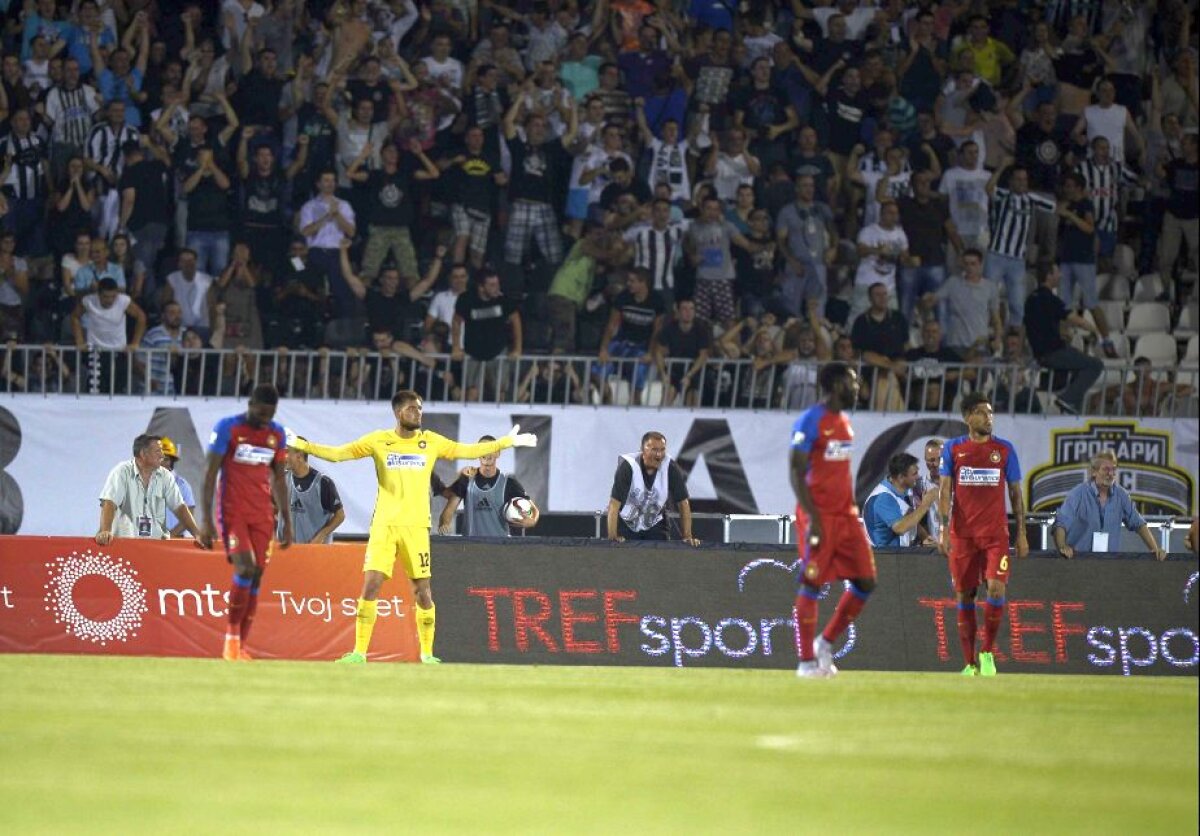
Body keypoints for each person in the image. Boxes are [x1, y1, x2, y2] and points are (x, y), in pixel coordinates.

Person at [289, 391, 538, 664]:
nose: (418, 413)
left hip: (417, 528)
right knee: (371, 585)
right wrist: (304, 445)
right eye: (412, 409)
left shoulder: (430, 441)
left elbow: (467, 449)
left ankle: (427, 654)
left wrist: (507, 442)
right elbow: (338, 454)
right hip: (384, 525)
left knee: (423, 591)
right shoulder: (378, 440)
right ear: (398, 413)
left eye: (419, 408)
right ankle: (359, 652)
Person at [790, 362, 876, 678]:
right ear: (837, 384)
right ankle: (805, 663)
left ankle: (824, 643)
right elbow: (796, 472)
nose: (857, 386)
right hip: (819, 514)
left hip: (846, 515)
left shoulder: (845, 422)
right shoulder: (810, 420)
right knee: (812, 582)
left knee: (866, 581)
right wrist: (814, 519)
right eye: (852, 380)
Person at [201, 384, 293, 663]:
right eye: (261, 413)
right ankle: (230, 641)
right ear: (250, 403)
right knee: (246, 567)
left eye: (270, 414)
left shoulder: (276, 434)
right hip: (233, 511)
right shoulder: (228, 428)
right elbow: (210, 474)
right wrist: (206, 521)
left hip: (262, 514)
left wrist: (287, 522)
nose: (265, 419)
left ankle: (240, 646)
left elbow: (278, 478)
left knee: (257, 576)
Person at [938, 392, 1028, 677]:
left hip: (995, 535)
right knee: (965, 594)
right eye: (981, 412)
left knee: (996, 588)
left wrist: (1021, 533)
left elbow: (1015, 493)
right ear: (967, 418)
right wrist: (943, 529)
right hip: (962, 535)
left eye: (991, 412)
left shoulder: (1004, 450)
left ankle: (987, 652)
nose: (989, 418)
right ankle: (969, 663)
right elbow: (944, 491)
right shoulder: (953, 449)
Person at [1052, 451, 1167, 561]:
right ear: (1094, 472)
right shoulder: (1078, 494)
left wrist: (1155, 549)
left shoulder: (1121, 495)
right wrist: (1063, 547)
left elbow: (1139, 524)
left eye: (1113, 469)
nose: (1111, 474)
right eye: (1106, 469)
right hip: (1079, 563)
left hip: (1109, 566)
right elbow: (1061, 523)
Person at [97, 434, 209, 546]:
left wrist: (197, 534)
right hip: (125, 543)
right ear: (143, 454)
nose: (162, 455)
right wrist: (105, 531)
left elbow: (179, 507)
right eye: (158, 451)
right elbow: (110, 503)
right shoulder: (122, 472)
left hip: (156, 546)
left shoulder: (166, 476)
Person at [1023, 263, 1104, 415]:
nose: (1060, 275)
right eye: (1056, 272)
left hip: (1039, 353)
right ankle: (1068, 398)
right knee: (1095, 365)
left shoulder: (1030, 299)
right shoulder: (1049, 299)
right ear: (1048, 276)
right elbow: (1074, 319)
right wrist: (1094, 330)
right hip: (1054, 352)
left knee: (1078, 366)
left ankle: (1072, 408)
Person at [606, 431, 699, 545]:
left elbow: (683, 503)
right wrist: (612, 537)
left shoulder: (670, 467)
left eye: (662, 450)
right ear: (642, 450)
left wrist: (687, 537)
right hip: (627, 523)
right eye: (654, 450)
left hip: (655, 522)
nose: (659, 455)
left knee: (658, 559)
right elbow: (614, 504)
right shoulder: (628, 467)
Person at [438, 436, 540, 536]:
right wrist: (444, 524)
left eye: (491, 448)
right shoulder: (466, 479)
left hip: (499, 548)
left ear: (498, 453)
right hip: (471, 548)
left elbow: (533, 509)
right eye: (483, 448)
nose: (487, 452)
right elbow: (449, 510)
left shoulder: (509, 483)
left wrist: (533, 521)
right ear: (477, 452)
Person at [863, 453, 938, 548]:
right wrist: (925, 504)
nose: (918, 477)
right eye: (914, 474)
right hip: (886, 557)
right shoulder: (883, 498)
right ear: (901, 477)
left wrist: (924, 536)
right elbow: (901, 527)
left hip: (903, 552)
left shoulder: (905, 487)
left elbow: (909, 517)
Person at [282, 441, 345, 545]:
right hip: (288, 551)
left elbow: (340, 515)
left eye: (286, 452)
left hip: (315, 552)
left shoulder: (323, 483)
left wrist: (321, 535)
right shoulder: (282, 479)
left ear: (299, 455)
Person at [159, 437, 196, 539]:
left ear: (172, 462)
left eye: (166, 459)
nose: (162, 463)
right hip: (150, 541)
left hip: (176, 541)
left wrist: (170, 536)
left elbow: (190, 515)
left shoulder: (182, 486)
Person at [913, 439, 943, 542]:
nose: (937, 463)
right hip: (933, 548)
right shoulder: (918, 485)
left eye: (940, 459)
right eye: (932, 460)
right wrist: (924, 537)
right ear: (925, 460)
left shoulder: (959, 483)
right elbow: (910, 519)